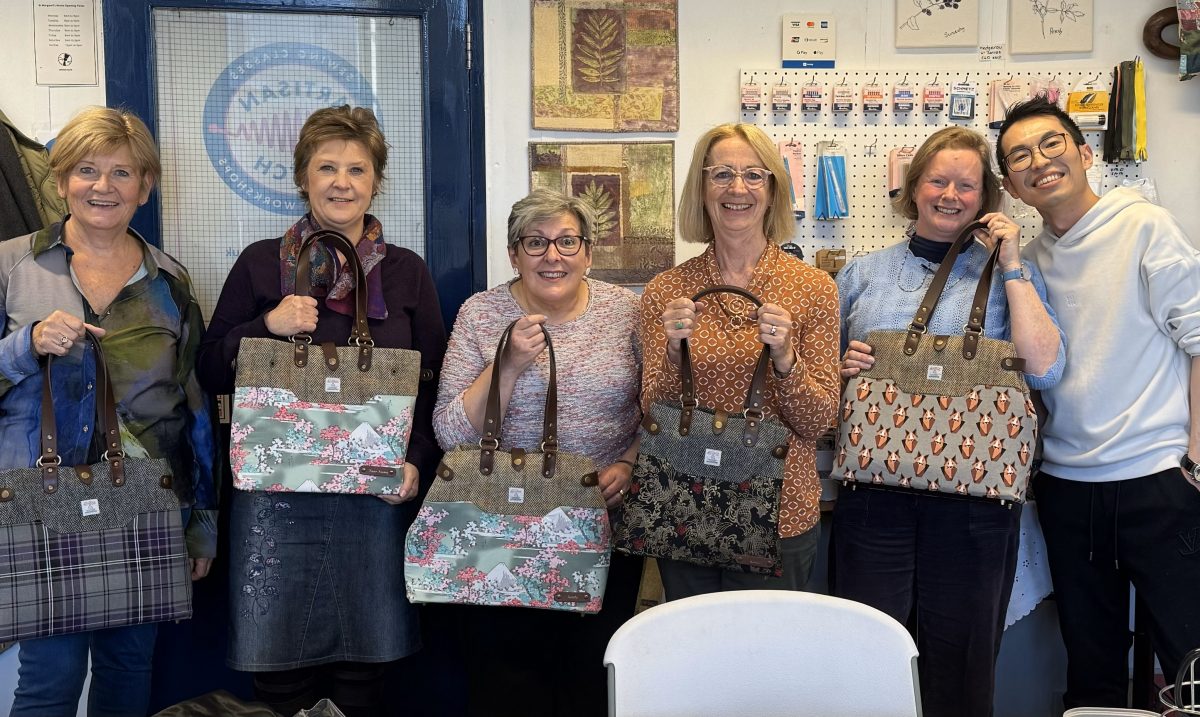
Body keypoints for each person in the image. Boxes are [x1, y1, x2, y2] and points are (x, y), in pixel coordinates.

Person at [196, 105, 446, 717]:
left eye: (357, 169)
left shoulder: (407, 272)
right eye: (326, 167)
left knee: (364, 663)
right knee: (277, 665)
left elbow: (435, 384)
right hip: (272, 499)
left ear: (376, 181)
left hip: (373, 494)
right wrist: (267, 326)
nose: (342, 181)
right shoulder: (261, 264)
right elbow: (206, 369)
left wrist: (416, 463)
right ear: (303, 178)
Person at [833, 125, 1065, 717]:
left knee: (960, 665)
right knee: (867, 650)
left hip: (977, 501)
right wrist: (843, 367)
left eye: (967, 184)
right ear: (913, 188)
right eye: (938, 180)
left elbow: (1043, 369)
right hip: (875, 496)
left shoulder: (1014, 273)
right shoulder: (863, 274)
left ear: (986, 198)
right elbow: (816, 379)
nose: (950, 195)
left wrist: (1010, 263)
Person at [0, 106, 217, 716]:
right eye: (87, 170)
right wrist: (27, 344)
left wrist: (201, 522)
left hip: (146, 502)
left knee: (128, 671)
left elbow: (193, 407)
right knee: (50, 678)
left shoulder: (169, 280)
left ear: (145, 187)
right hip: (38, 500)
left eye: (123, 173)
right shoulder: (12, 266)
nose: (104, 187)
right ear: (62, 176)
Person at [997, 97, 1200, 710]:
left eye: (1052, 144)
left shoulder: (1145, 226)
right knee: (1092, 671)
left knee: (1191, 663)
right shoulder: (1027, 262)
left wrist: (1196, 460)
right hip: (1068, 489)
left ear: (1085, 154)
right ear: (1011, 185)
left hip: (1158, 482)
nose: (1039, 161)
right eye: (1020, 157)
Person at [432, 188, 642, 717]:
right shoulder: (481, 315)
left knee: (589, 683)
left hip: (601, 529)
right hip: (498, 536)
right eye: (536, 242)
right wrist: (504, 367)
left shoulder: (627, 312)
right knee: (505, 685)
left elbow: (660, 409)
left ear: (589, 253)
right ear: (514, 254)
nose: (553, 256)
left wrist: (633, 461)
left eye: (568, 241)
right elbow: (449, 433)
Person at [640, 123, 841, 599]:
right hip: (683, 500)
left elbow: (818, 421)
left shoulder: (812, 289)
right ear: (702, 188)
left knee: (768, 662)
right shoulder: (667, 290)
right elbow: (650, 413)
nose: (738, 188)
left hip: (779, 511)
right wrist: (672, 354)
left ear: (773, 191)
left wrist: (788, 360)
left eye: (754, 175)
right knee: (696, 655)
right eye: (722, 174)